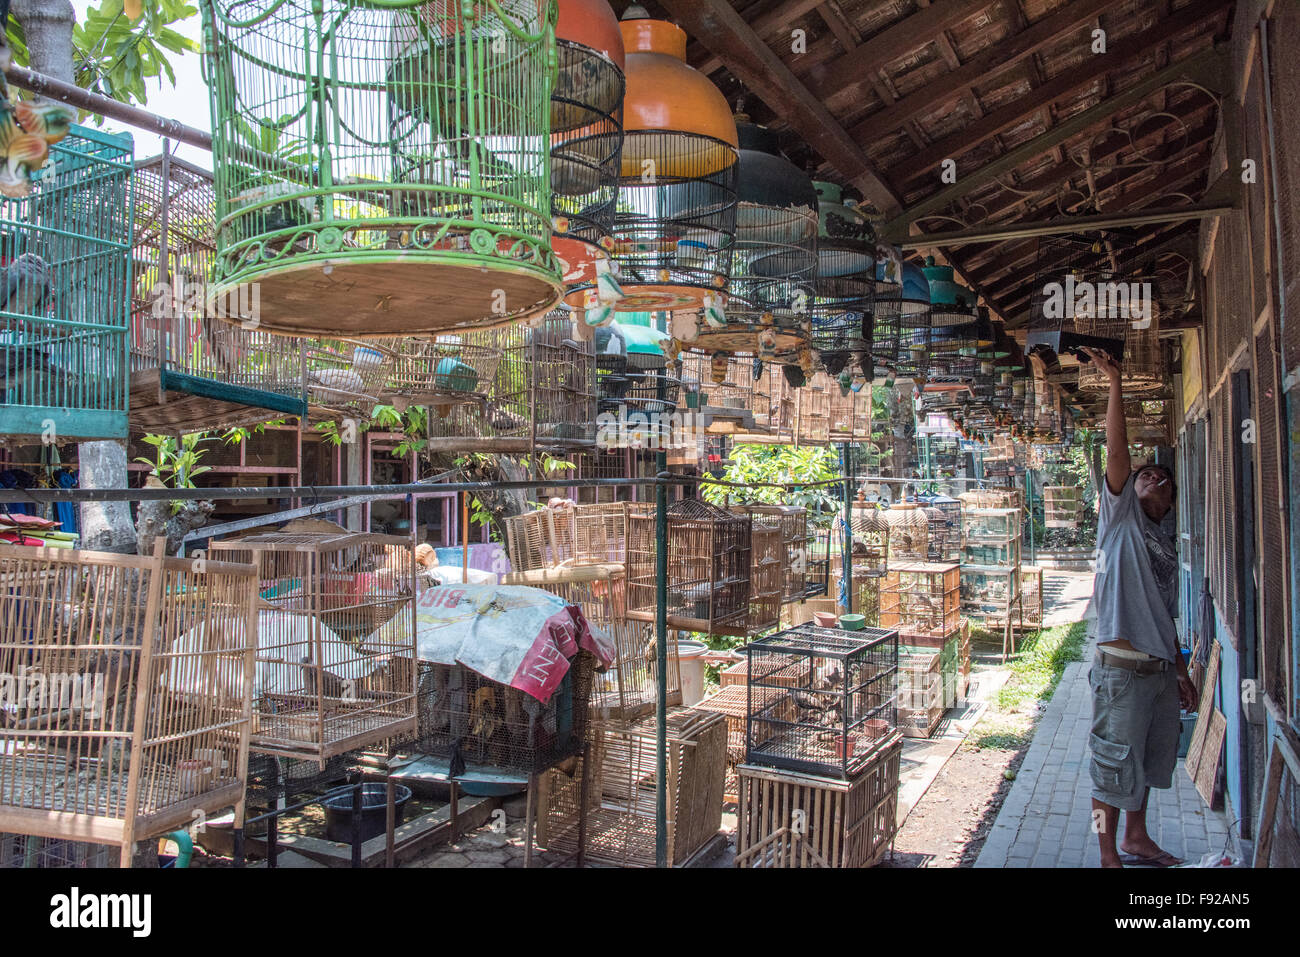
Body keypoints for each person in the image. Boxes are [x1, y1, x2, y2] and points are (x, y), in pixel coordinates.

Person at [1079, 346, 1198, 868]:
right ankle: (1108, 854)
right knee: (1109, 770)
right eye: (1144, 474)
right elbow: (1117, 452)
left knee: (1147, 766)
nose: (1151, 477)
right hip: (1121, 673)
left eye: (1161, 478)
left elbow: (1164, 615)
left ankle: (1136, 836)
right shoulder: (1119, 520)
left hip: (1156, 671)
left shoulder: (1167, 544)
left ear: (1171, 501)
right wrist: (1114, 383)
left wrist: (1180, 669)